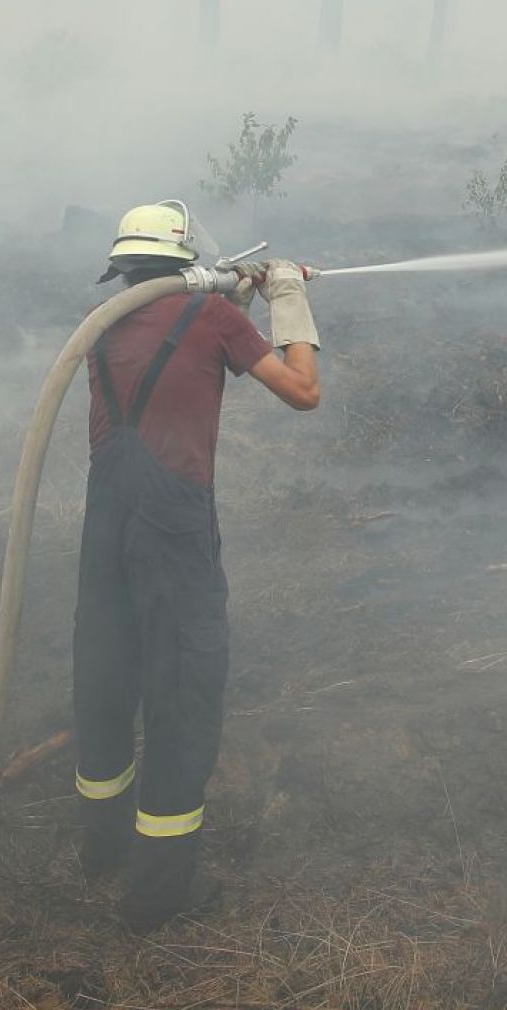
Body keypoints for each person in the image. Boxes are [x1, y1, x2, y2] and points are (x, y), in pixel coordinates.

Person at [72, 199, 321, 933]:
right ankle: (158, 895)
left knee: (106, 681)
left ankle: (102, 852)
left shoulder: (104, 326)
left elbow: (169, 343)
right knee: (182, 693)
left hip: (104, 527)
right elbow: (303, 392)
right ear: (186, 263)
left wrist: (228, 295)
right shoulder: (212, 320)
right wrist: (288, 301)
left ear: (124, 268)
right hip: (172, 528)